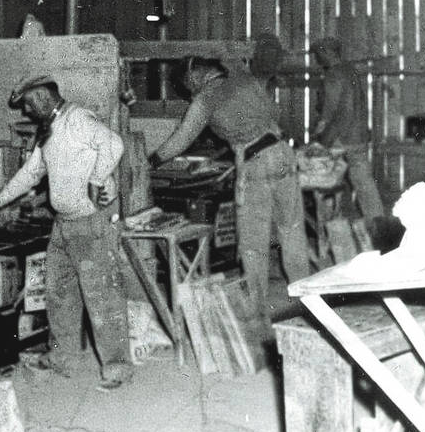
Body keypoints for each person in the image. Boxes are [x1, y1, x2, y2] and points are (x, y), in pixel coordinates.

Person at [0, 75, 132, 389]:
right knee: (59, 295)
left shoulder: (77, 119)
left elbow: (114, 144)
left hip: (90, 224)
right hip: (64, 224)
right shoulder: (50, 130)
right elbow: (32, 172)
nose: (26, 112)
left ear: (41, 96)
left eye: (28, 104)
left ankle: (118, 369)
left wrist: (97, 180)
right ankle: (62, 360)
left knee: (103, 298)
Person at [147, 57, 310, 322]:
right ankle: (306, 295)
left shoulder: (205, 99)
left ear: (194, 77)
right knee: (291, 229)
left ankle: (257, 307)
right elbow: (274, 113)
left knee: (252, 241)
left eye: (188, 88)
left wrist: (151, 160)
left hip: (256, 163)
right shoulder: (244, 79)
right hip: (282, 153)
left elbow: (182, 139)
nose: (191, 94)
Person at [310, 37, 385, 221]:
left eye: (318, 54)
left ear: (327, 52)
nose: (317, 59)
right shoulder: (351, 71)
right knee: (365, 185)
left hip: (341, 140)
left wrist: (324, 141)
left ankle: (333, 228)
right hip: (358, 138)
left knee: (328, 187)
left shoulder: (333, 75)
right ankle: (378, 225)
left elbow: (339, 113)